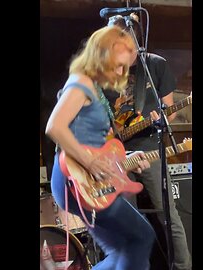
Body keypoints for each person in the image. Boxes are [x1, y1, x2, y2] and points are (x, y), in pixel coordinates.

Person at [45, 26, 156, 270]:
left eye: (124, 68)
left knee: (123, 249)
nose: (119, 72)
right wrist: (90, 161)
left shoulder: (93, 87)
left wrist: (126, 157)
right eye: (117, 65)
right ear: (102, 55)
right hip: (76, 179)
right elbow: (55, 127)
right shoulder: (81, 84)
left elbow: (93, 141)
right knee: (142, 237)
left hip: (84, 177)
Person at [104, 14, 192, 270]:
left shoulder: (154, 65)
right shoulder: (107, 71)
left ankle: (183, 266)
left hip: (150, 150)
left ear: (132, 38)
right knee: (125, 219)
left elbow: (170, 110)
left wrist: (159, 119)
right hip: (117, 154)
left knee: (168, 216)